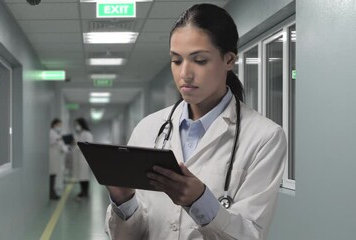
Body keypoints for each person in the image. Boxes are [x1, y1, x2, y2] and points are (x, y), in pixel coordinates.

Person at [104, 4, 287, 240]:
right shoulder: (148, 129)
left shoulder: (265, 137)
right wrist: (124, 201)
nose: (185, 74)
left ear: (229, 60)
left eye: (199, 60)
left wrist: (200, 201)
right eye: (176, 60)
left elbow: (250, 234)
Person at [73, 117, 93, 198]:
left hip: (84, 158)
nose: (76, 126)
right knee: (81, 176)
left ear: (81, 124)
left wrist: (77, 146)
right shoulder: (80, 134)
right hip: (80, 157)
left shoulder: (87, 134)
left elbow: (88, 145)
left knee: (84, 176)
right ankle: (82, 191)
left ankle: (85, 192)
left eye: (77, 124)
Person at [49, 118, 68, 200]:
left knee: (54, 175)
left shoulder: (55, 133)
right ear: (54, 125)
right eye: (59, 125)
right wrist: (60, 139)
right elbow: (52, 142)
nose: (60, 127)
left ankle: (53, 193)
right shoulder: (51, 132)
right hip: (52, 157)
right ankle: (51, 194)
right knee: (52, 175)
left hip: (56, 157)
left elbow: (60, 145)